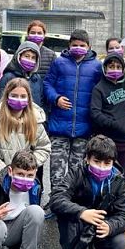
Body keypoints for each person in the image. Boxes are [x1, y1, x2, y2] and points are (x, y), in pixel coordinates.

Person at [49, 135, 125, 249]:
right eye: (96, 161)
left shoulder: (118, 180)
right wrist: (81, 212)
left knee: (120, 242)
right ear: (87, 159)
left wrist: (110, 226)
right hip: (79, 221)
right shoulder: (76, 173)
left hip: (101, 223)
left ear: (113, 162)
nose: (101, 167)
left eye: (107, 163)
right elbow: (56, 198)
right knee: (65, 218)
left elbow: (124, 214)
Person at [43, 29, 103, 194]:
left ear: (89, 46)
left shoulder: (97, 66)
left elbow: (103, 89)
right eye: (74, 45)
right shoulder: (59, 62)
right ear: (69, 45)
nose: (78, 48)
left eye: (82, 45)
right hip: (59, 126)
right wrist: (56, 98)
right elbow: (47, 84)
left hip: (84, 129)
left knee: (77, 170)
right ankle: (55, 200)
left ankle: (72, 201)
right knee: (57, 169)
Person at [0, 78, 51, 183]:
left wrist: (27, 166)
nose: (18, 99)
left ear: (28, 99)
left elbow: (44, 147)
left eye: (23, 96)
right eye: (14, 96)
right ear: (7, 97)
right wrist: (2, 169)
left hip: (23, 179)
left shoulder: (35, 122)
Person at [89, 53, 125, 177]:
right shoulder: (99, 88)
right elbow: (95, 113)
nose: (115, 70)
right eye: (111, 67)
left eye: (118, 67)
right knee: (104, 171)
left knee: (120, 174)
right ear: (105, 68)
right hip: (107, 139)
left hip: (124, 139)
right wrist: (113, 124)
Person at [0, 41, 45, 107]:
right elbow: (1, 102)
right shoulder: (8, 77)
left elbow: (41, 100)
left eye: (33, 57)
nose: (29, 60)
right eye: (26, 56)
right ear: (19, 56)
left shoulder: (37, 78)